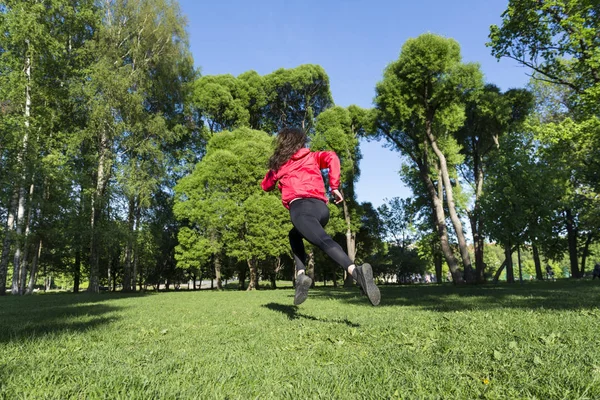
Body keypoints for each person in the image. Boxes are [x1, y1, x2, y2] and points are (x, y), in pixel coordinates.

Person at [261, 127, 380, 306]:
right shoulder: (312, 156)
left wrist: (274, 169)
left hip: (300, 208)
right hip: (321, 210)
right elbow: (332, 156)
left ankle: (357, 273)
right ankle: (301, 276)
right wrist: (334, 186)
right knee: (294, 235)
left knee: (323, 241)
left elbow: (266, 186)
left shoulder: (281, 165)